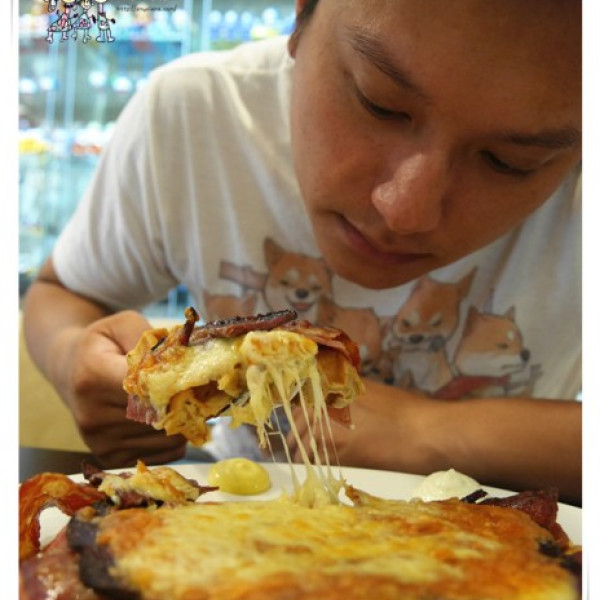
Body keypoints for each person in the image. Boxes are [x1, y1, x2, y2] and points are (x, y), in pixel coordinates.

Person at [23, 0, 582, 504]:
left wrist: (430, 431)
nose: (404, 211)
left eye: (509, 161)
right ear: (299, 19)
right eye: (380, 104)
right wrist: (73, 355)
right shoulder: (198, 111)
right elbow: (65, 291)